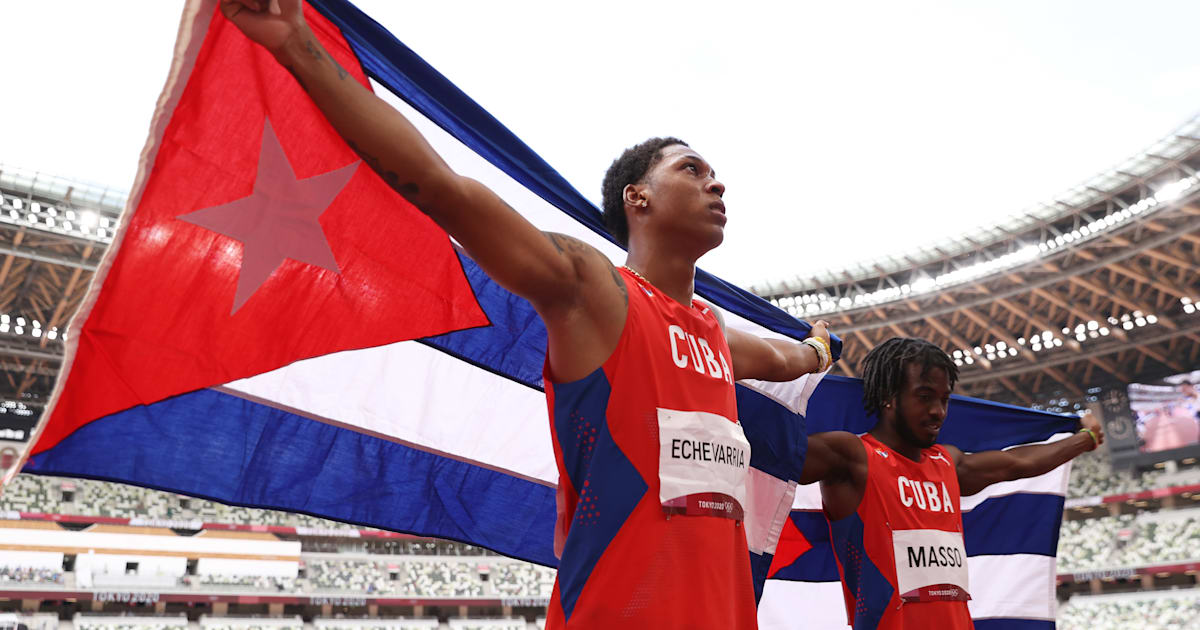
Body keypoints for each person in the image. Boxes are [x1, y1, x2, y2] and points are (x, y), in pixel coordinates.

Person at [222, 2, 833, 627]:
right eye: (692, 170)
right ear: (637, 197)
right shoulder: (595, 290)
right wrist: (298, 45)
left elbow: (786, 361)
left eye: (716, 174)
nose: (717, 184)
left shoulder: (714, 337)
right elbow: (440, 187)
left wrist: (820, 350)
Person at [799, 337, 1104, 629]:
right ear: (887, 397)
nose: (938, 411)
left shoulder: (948, 463)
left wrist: (1085, 439)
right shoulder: (851, 457)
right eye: (924, 397)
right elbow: (772, 456)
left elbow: (1018, 463)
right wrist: (810, 354)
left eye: (944, 399)